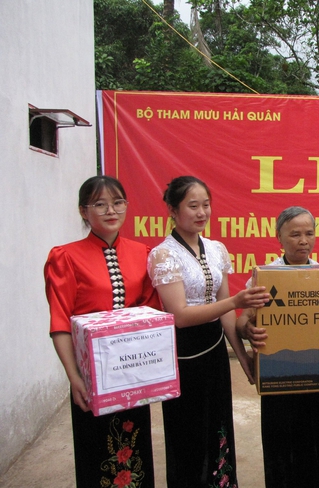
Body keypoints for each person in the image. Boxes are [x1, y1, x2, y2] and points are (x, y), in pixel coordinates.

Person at [147, 176, 269, 488]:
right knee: (187, 432)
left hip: (214, 350)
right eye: (193, 206)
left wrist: (243, 360)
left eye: (206, 205)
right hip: (183, 353)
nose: (202, 212)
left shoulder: (216, 249)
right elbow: (180, 316)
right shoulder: (163, 254)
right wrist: (234, 300)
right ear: (173, 210)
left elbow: (226, 311)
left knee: (218, 427)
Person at [44, 175, 159, 487]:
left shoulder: (142, 253)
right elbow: (60, 323)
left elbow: (152, 313)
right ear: (84, 211)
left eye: (118, 202)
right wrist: (74, 377)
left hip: (133, 371)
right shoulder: (65, 257)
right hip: (91, 374)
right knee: (96, 450)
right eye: (100, 204)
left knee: (135, 447)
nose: (111, 210)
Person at [236, 206, 319, 488]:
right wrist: (248, 330)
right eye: (295, 234)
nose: (303, 240)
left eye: (309, 233)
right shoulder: (265, 277)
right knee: (284, 446)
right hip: (281, 377)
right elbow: (242, 320)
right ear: (279, 238)